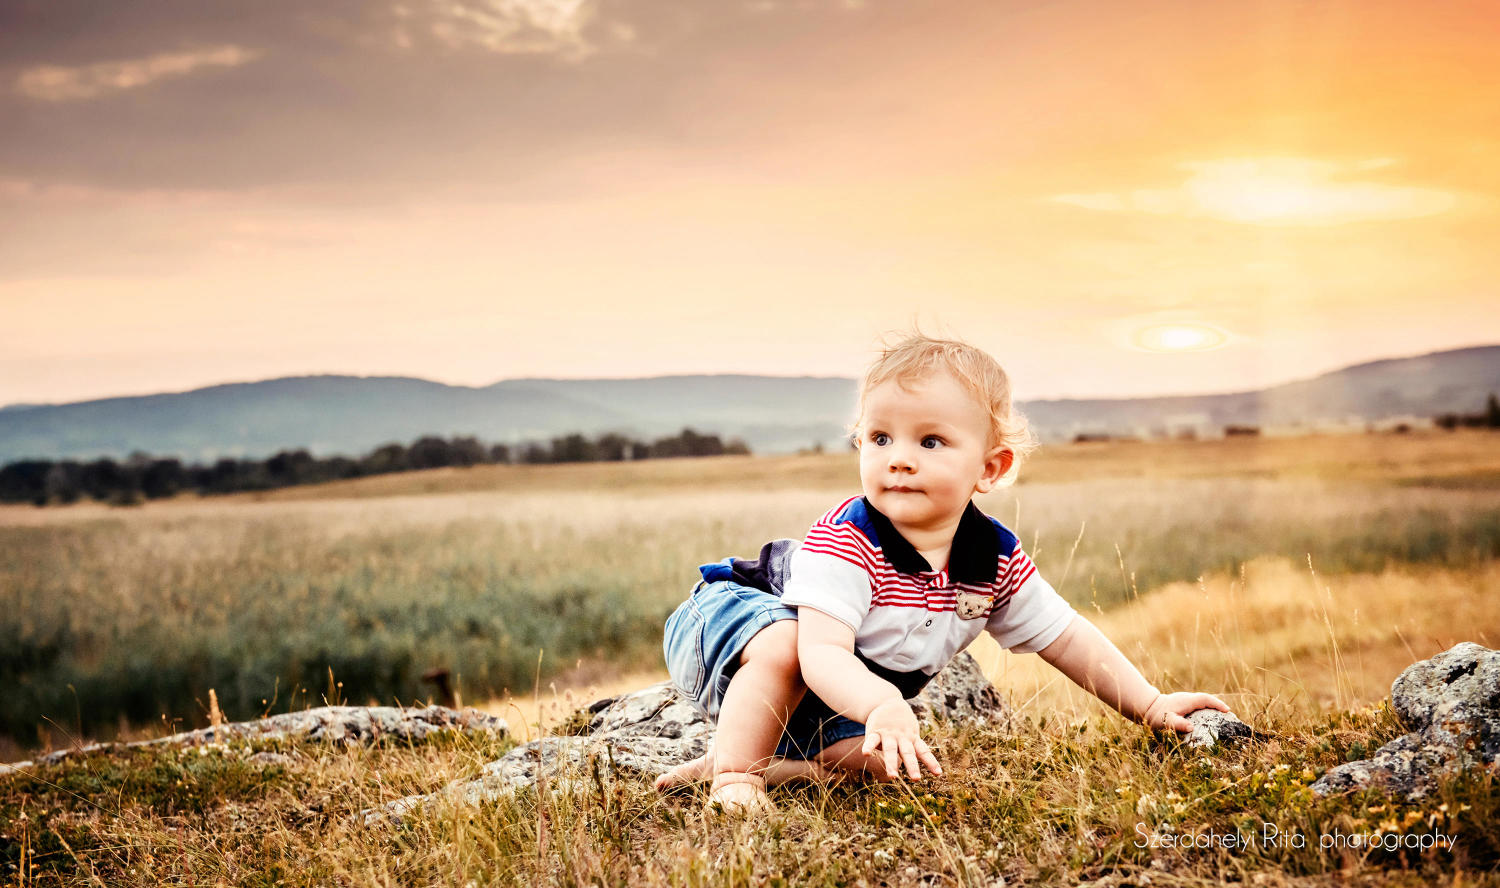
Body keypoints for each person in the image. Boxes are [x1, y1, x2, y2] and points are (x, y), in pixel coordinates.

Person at [657, 333, 1232, 812]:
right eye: (880, 438)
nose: (899, 457)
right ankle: (736, 773)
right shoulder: (848, 538)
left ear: (990, 467)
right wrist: (883, 702)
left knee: (895, 761)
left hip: (822, 698)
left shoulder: (992, 559)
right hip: (731, 628)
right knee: (786, 641)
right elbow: (821, 655)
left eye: (930, 441)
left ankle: (774, 759)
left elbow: (1069, 638)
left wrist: (1151, 704)